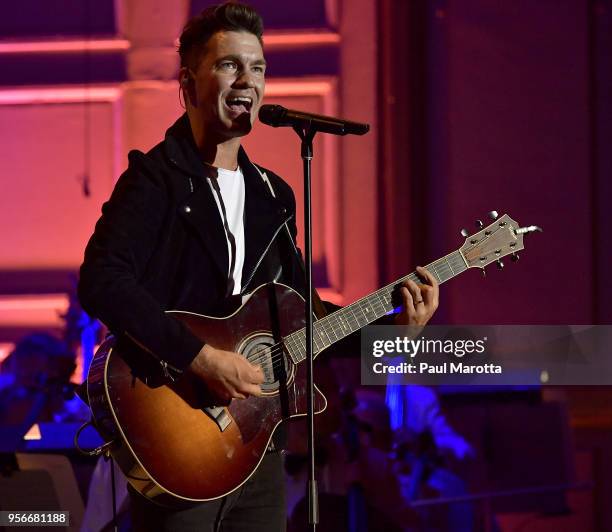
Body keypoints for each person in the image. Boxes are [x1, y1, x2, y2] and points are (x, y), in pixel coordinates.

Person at [77, 3, 440, 530]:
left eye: (259, 68)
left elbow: (306, 321)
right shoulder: (154, 180)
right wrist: (202, 359)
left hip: (257, 445)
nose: (247, 80)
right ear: (188, 82)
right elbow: (102, 281)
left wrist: (394, 330)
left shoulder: (274, 195)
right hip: (181, 436)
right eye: (229, 65)